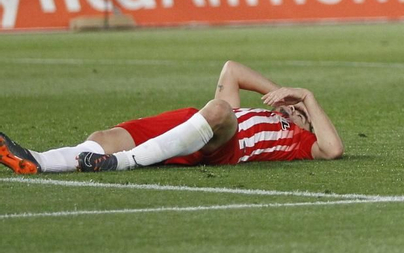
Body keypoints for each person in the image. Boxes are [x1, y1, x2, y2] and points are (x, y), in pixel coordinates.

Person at [0, 61, 343, 176]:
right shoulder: (257, 112)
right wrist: (281, 91)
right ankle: (37, 161)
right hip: (192, 125)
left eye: (300, 113)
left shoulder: (300, 141)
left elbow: (333, 149)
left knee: (219, 110)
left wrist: (307, 97)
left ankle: (124, 163)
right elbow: (232, 70)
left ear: (308, 124)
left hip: (226, 145)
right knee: (103, 138)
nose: (292, 109)